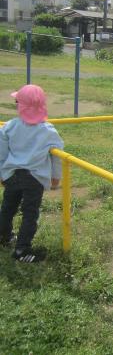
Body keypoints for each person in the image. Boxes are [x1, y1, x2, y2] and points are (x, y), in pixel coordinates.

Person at [0, 84, 63, 263]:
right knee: (30, 212)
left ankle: (3, 237)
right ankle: (22, 249)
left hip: (11, 174)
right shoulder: (48, 131)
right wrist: (55, 177)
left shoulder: (9, 127)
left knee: (8, 208)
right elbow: (56, 157)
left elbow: (2, 152)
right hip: (34, 178)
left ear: (20, 106)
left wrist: (1, 172)